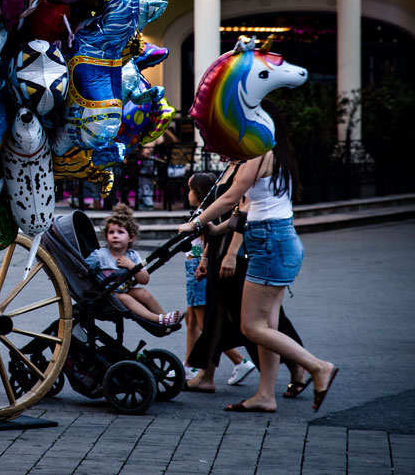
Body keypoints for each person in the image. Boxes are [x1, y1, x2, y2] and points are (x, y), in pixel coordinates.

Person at [179, 100, 338, 412]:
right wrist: (216, 229)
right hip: (278, 238)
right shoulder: (278, 153)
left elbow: (232, 196)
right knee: (268, 324)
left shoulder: (258, 151)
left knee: (252, 326)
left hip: (268, 243)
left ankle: (318, 367)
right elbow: (253, 208)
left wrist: (196, 222)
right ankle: (266, 395)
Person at [182, 172, 255, 385]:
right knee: (194, 320)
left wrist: (204, 259)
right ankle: (194, 366)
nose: (187, 194)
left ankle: (235, 361)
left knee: (202, 320)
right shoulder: (204, 212)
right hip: (195, 264)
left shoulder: (206, 214)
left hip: (196, 266)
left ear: (199, 193)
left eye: (190, 189)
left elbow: (209, 240)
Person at [85, 204, 182, 327]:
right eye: (111, 232)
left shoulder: (133, 256)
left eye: (120, 232)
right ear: (106, 236)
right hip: (106, 295)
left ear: (130, 238)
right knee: (125, 298)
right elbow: (84, 270)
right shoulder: (99, 255)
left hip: (124, 291)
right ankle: (157, 319)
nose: (115, 235)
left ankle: (165, 318)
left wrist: (131, 266)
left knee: (143, 292)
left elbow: (144, 279)